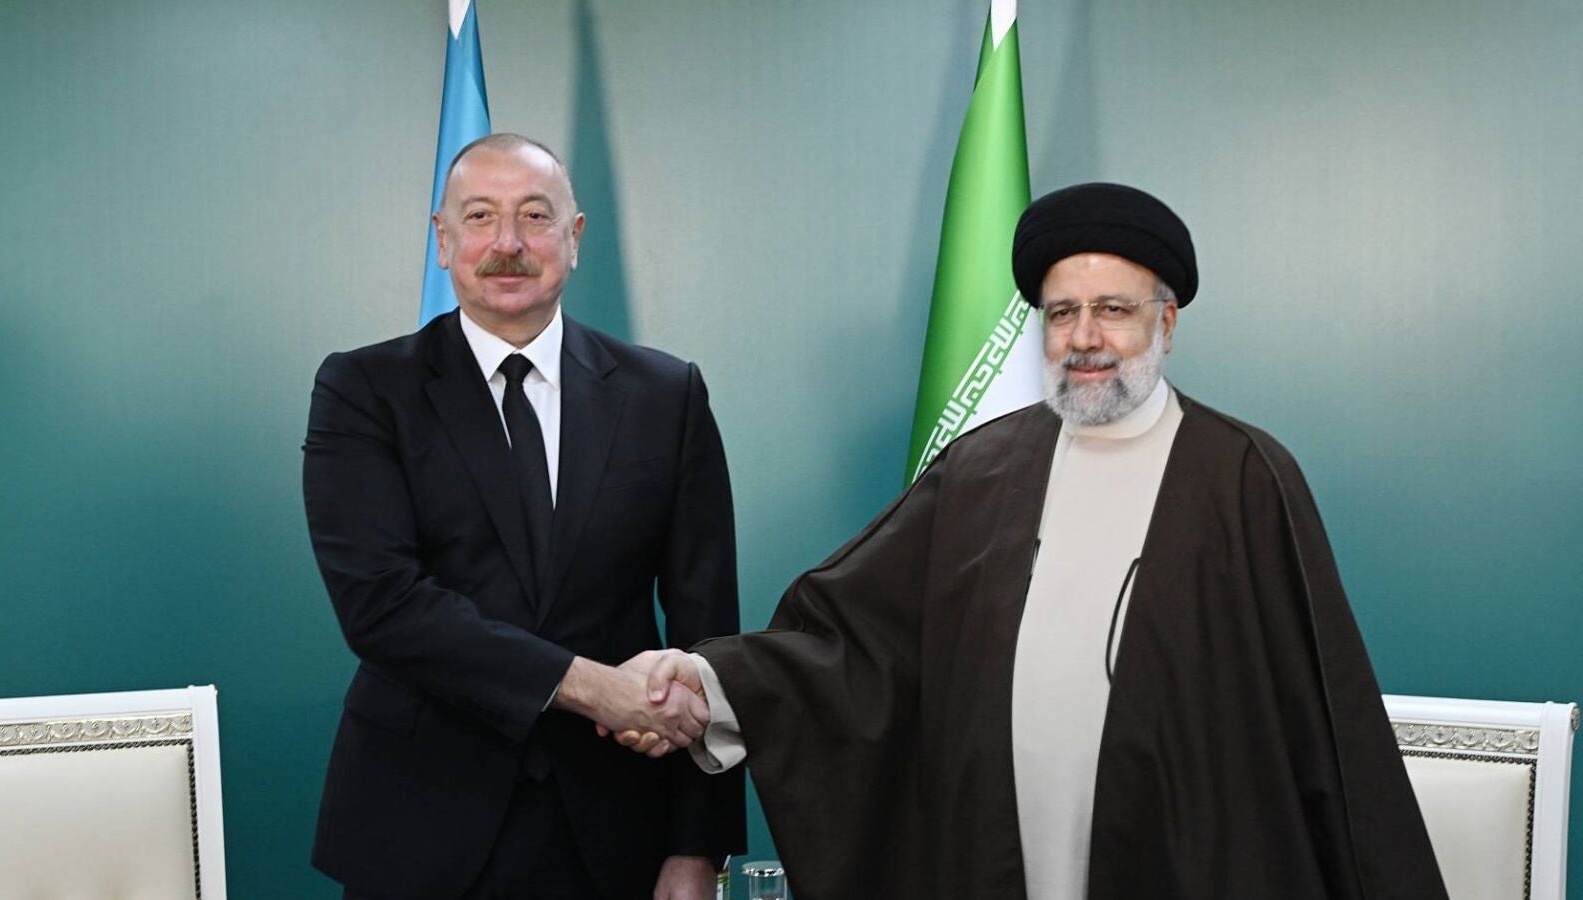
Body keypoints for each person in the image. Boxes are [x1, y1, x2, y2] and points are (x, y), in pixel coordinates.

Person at [617, 184, 1447, 899]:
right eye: (1062, 313)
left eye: (1113, 310)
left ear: (1167, 322)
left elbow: (1326, 725)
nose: (1084, 338)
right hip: (997, 862)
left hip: (1188, 865)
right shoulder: (982, 471)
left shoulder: (1244, 477)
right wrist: (708, 683)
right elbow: (852, 644)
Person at [302, 133, 745, 900]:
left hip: (618, 835)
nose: (507, 243)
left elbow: (708, 631)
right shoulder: (363, 390)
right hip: (418, 830)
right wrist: (591, 687)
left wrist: (698, 846)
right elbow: (382, 605)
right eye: (480, 216)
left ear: (574, 238)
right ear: (443, 240)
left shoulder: (665, 395)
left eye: (535, 216)